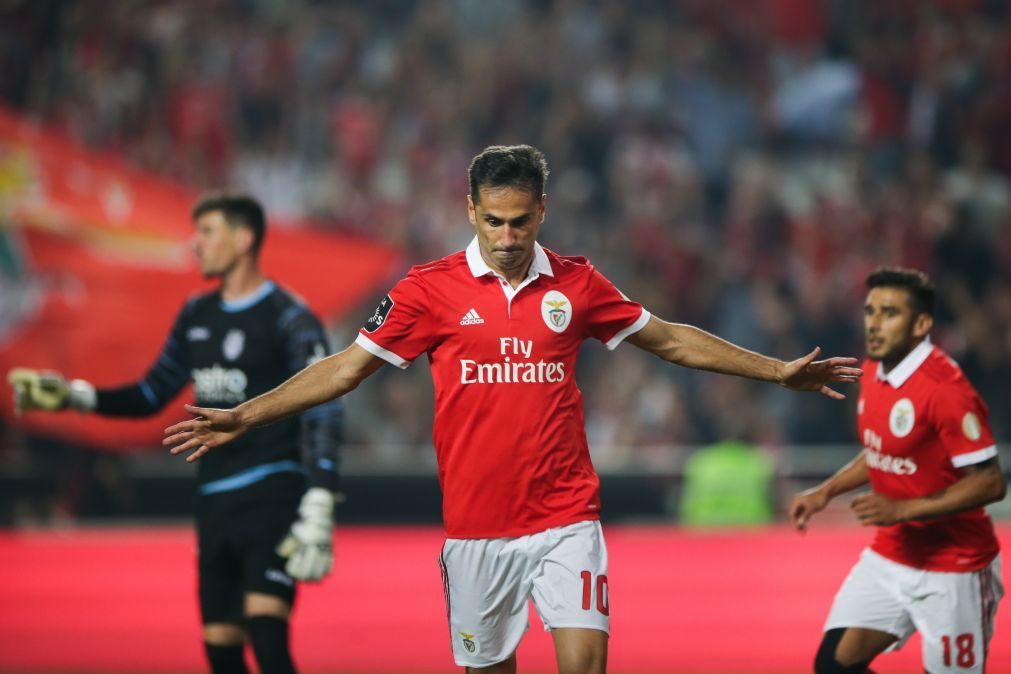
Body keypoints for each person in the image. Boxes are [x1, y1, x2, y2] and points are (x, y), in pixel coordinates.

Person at [164, 145, 861, 674]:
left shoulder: (577, 284)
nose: (505, 236)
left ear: (541, 212)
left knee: (584, 662)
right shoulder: (426, 291)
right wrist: (244, 414)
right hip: (476, 531)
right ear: (469, 211)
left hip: (566, 519)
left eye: (519, 221)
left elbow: (669, 339)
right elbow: (346, 369)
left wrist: (776, 371)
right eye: (492, 221)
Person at [8, 193, 342, 674]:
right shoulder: (195, 316)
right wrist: (73, 396)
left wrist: (320, 499)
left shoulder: (290, 317)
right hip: (213, 498)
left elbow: (324, 405)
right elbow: (150, 393)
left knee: (268, 637)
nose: (195, 245)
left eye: (207, 232)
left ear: (244, 239)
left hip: (274, 490)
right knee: (221, 651)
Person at [789, 267, 1005, 674]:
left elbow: (991, 482)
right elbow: (881, 452)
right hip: (893, 554)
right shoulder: (873, 371)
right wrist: (826, 491)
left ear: (921, 324)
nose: (874, 322)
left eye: (890, 313)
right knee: (833, 667)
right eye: (870, 311)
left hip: (955, 566)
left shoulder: (947, 391)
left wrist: (903, 509)